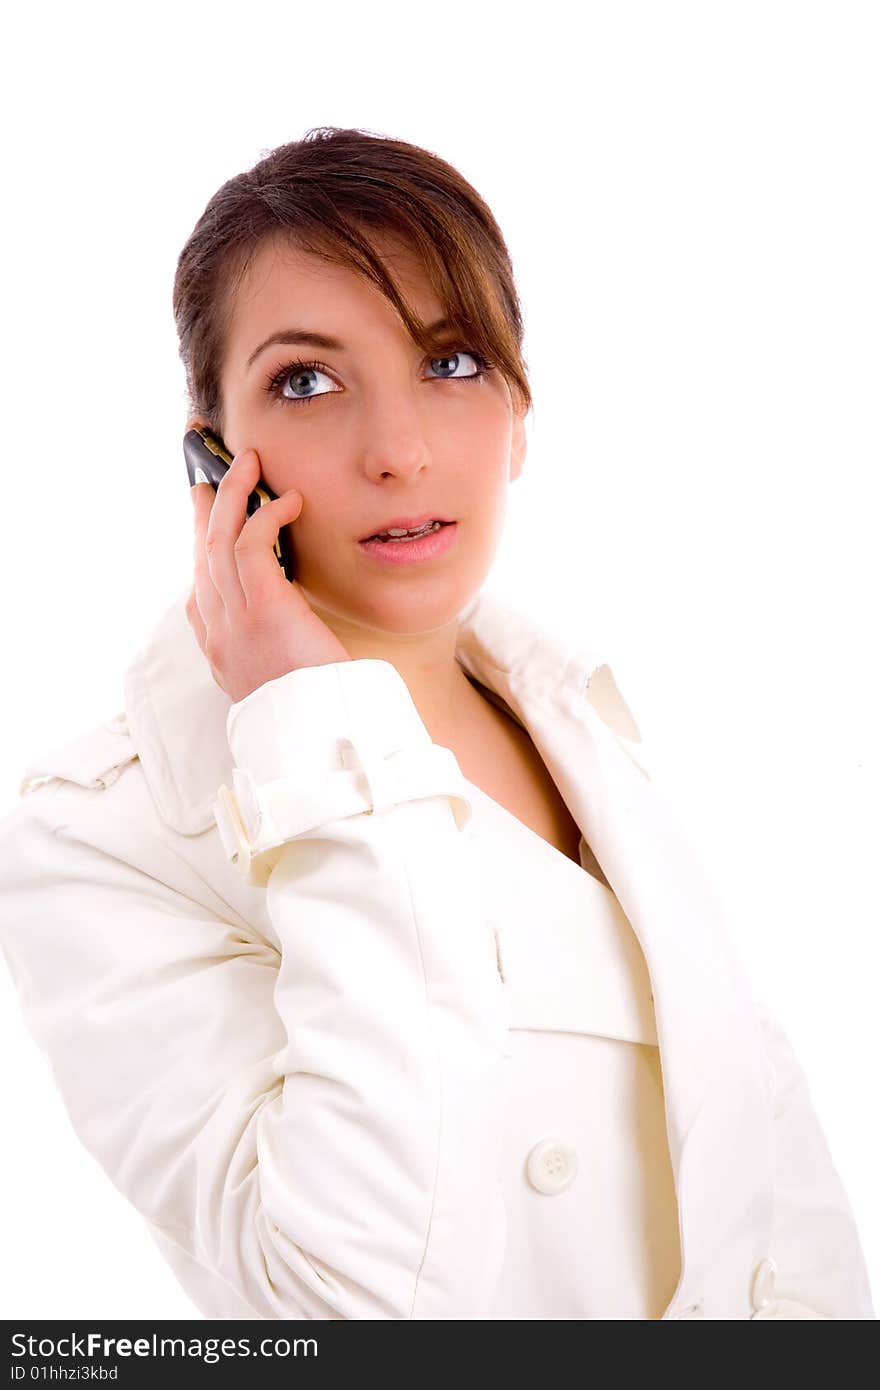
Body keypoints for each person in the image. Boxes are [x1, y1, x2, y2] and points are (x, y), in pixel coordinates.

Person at [0, 127, 874, 1321]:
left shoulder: (575, 717)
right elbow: (359, 1302)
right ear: (214, 463)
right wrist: (309, 733)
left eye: (452, 362)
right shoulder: (105, 834)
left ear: (519, 410)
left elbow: (782, 1211)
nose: (399, 451)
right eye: (306, 380)